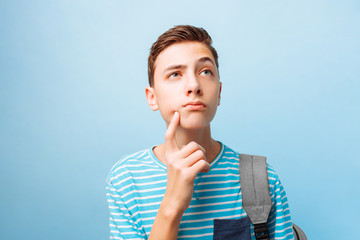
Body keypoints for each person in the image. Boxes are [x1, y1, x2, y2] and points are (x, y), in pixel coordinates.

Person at [106, 25, 295, 240]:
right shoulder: (126, 179)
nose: (194, 85)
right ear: (152, 97)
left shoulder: (261, 178)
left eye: (205, 72)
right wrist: (172, 205)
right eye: (175, 74)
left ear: (219, 92)